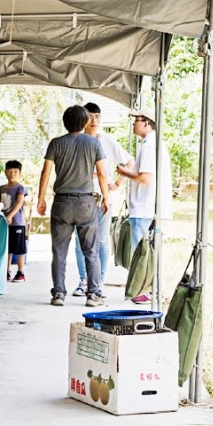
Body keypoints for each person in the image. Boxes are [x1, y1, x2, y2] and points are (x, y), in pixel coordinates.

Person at [37, 104, 109, 307]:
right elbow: (102, 173)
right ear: (85, 122)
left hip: (61, 202)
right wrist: (106, 198)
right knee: (91, 251)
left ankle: (59, 294)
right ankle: (93, 294)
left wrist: (41, 198)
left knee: (59, 252)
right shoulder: (94, 143)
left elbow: (46, 172)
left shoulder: (56, 143)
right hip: (86, 203)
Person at [71, 102, 136, 297]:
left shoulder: (107, 141)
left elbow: (129, 161)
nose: (94, 121)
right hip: (80, 198)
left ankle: (98, 281)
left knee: (101, 240)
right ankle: (84, 280)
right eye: (90, 117)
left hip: (103, 198)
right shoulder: (75, 141)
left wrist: (117, 184)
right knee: (80, 241)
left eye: (97, 117)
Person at [116, 108, 173, 304]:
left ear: (147, 123)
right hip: (149, 207)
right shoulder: (154, 144)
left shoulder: (148, 146)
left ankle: (142, 290)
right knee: (148, 252)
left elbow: (145, 178)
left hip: (143, 206)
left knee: (140, 253)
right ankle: (150, 288)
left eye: (137, 120)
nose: (134, 123)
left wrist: (124, 172)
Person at [0, 160, 28, 282]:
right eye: (10, 171)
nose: (12, 174)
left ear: (20, 174)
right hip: (4, 223)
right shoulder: (0, 189)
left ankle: (20, 272)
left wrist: (10, 216)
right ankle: (6, 271)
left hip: (17, 223)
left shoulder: (20, 188)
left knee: (19, 249)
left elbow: (19, 203)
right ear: (5, 173)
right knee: (6, 248)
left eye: (15, 171)